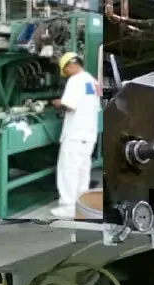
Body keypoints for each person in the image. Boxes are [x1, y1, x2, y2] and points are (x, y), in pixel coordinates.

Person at [50, 52, 100, 219]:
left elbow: (70, 105)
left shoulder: (75, 80)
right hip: (89, 135)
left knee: (68, 172)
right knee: (82, 172)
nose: (66, 75)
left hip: (75, 135)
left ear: (70, 65)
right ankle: (82, 206)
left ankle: (67, 207)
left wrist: (57, 103)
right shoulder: (93, 82)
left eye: (66, 71)